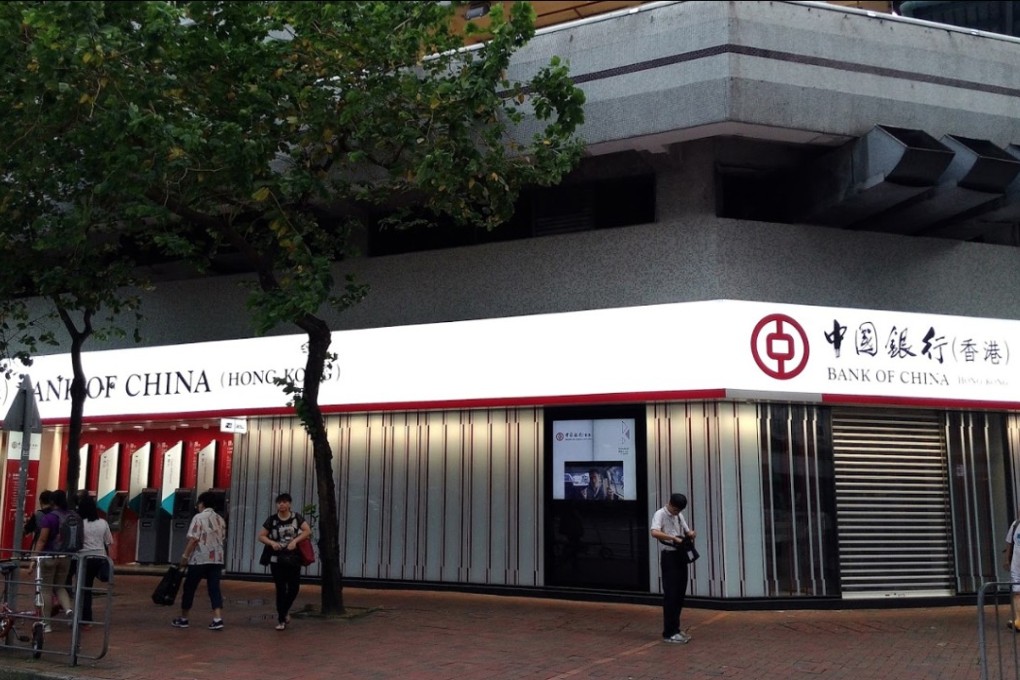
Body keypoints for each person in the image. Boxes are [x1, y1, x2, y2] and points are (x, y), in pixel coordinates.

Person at [172, 491, 227, 631]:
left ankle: (184, 618)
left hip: (199, 558)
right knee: (214, 588)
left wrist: (185, 556)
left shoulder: (198, 517)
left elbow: (194, 539)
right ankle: (217, 618)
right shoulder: (221, 519)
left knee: (189, 587)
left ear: (201, 503)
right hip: (216, 559)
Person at [258, 492, 312, 630]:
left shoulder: (296, 518)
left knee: (294, 588)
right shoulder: (272, 520)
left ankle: (285, 610)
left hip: (293, 558)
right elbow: (261, 535)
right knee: (280, 588)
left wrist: (295, 541)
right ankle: (281, 619)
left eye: (284, 502)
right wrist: (271, 543)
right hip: (277, 559)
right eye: (279, 502)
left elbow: (307, 531)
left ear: (289, 504)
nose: (281, 504)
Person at [650, 492, 697, 644]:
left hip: (680, 555)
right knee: (670, 594)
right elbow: (654, 532)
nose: (676, 513)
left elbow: (685, 530)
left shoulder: (679, 516)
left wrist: (690, 533)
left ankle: (676, 628)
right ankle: (668, 632)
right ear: (669, 504)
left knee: (679, 593)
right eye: (675, 509)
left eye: (679, 510)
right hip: (669, 556)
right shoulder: (660, 514)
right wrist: (673, 538)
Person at [30, 489, 73, 633]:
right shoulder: (72, 515)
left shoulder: (49, 518)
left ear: (52, 502)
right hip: (66, 557)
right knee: (60, 586)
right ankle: (68, 611)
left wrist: (34, 559)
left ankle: (46, 623)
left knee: (46, 589)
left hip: (49, 556)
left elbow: (42, 540)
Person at [77, 494, 113, 629]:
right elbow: (109, 541)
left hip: (84, 558)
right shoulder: (103, 522)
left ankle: (85, 619)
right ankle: (86, 619)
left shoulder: (80, 523)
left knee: (84, 589)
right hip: (99, 558)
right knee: (88, 588)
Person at [1005, 514, 1020, 630]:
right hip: (1017, 566)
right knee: (1016, 593)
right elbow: (1009, 543)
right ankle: (1019, 620)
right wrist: (1006, 559)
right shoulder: (1015, 525)